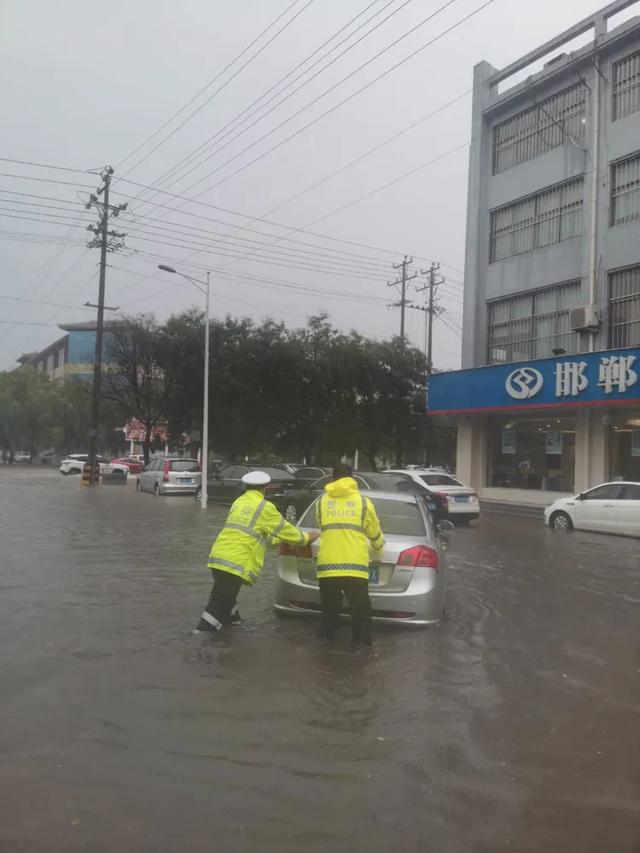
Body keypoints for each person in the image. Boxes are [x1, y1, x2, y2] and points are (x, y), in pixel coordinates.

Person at [195, 470, 318, 634]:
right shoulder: (264, 507)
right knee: (218, 606)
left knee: (228, 603)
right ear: (266, 488)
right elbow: (290, 533)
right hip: (235, 562)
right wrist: (307, 537)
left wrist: (278, 540)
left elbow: (260, 535)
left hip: (218, 557)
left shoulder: (239, 502)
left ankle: (233, 631)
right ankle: (198, 640)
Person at [315, 463, 384, 645]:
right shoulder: (363, 503)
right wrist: (378, 545)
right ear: (353, 478)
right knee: (360, 613)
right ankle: (360, 651)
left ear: (332, 479)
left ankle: (325, 647)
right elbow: (374, 531)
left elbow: (321, 525)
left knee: (328, 612)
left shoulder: (321, 501)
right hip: (355, 568)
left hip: (328, 567)